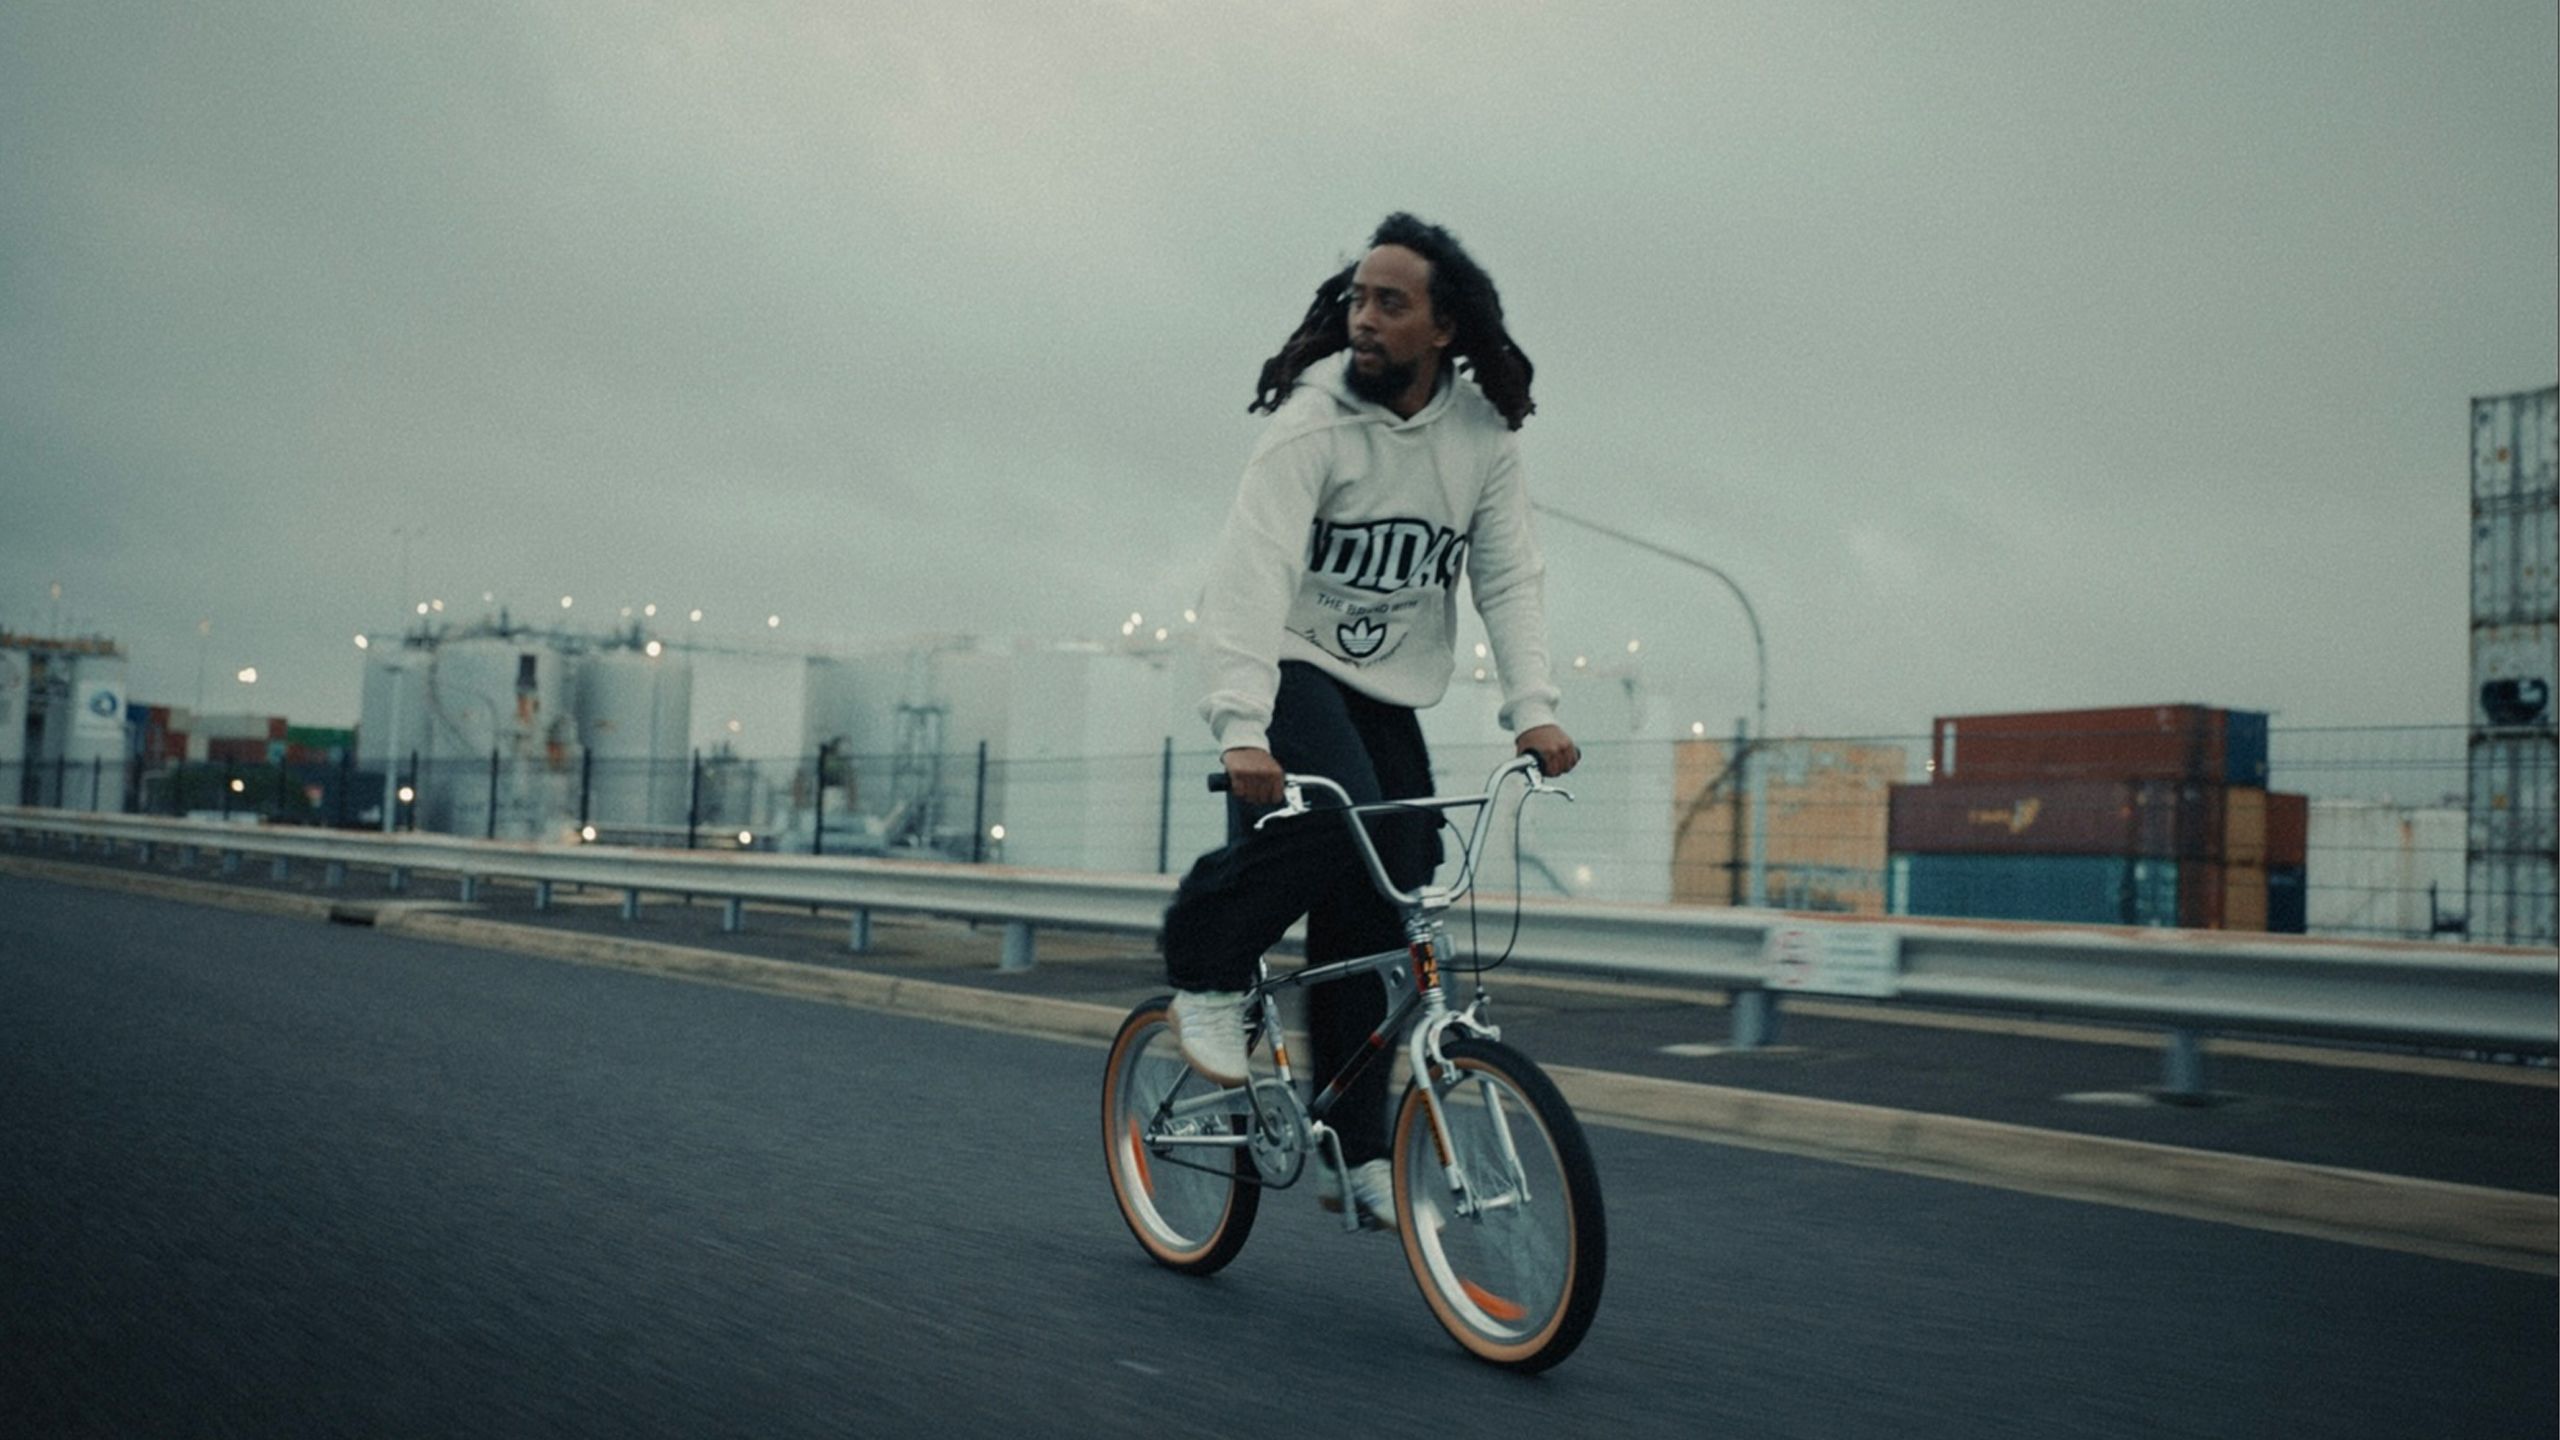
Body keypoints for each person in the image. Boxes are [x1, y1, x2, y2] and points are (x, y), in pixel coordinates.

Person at [1160, 213, 1579, 1232]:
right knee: (1326, 828)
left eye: (1391, 303)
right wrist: (1241, 726)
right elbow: (1250, 574)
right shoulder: (1312, 423)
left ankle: (1352, 1140)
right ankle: (1204, 966)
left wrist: (1533, 709)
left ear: (1445, 326)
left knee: (1393, 875)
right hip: (1291, 661)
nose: (1364, 319)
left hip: (1391, 683)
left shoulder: (1479, 438)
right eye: (1357, 299)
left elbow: (1507, 577)